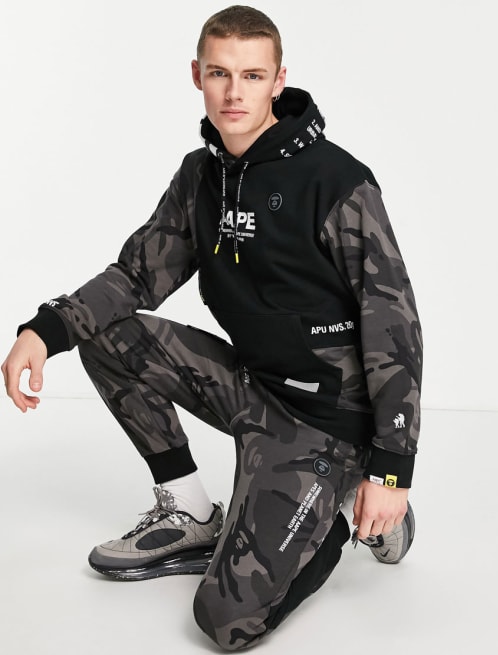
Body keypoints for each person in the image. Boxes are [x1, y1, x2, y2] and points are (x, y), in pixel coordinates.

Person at [1, 5, 422, 650]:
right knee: (104, 334)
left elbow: (393, 324)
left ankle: (344, 510)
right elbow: (135, 276)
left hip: (325, 424)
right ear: (197, 75)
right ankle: (192, 514)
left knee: (227, 621)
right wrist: (44, 330)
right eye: (220, 74)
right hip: (249, 386)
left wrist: (391, 470)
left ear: (279, 80)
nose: (234, 93)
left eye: (252, 76)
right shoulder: (202, 176)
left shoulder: (337, 182)